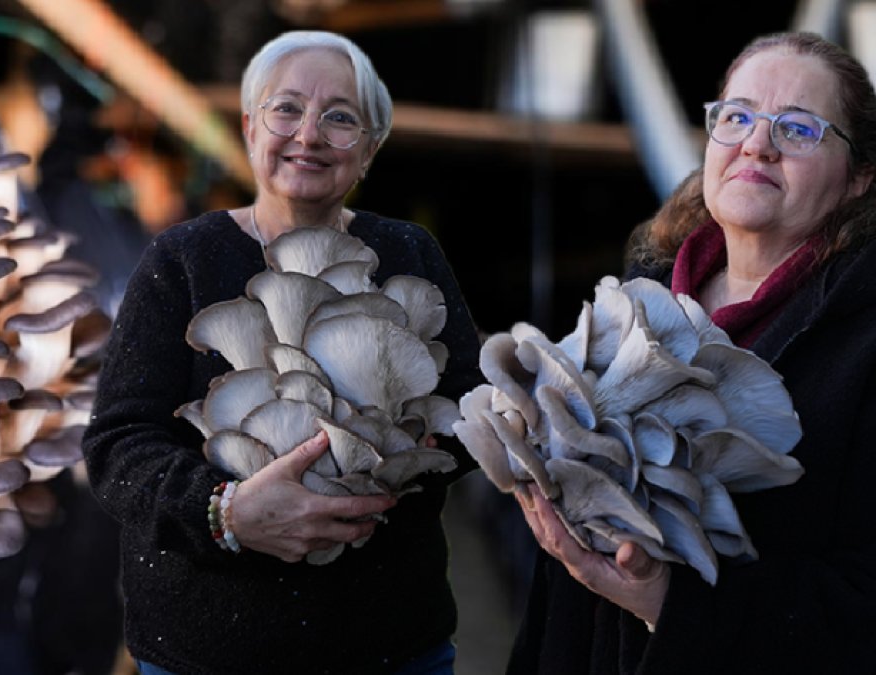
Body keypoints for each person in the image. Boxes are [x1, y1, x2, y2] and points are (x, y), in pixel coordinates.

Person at [82, 30, 485, 675]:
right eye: (287, 108)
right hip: (206, 653)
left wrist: (403, 452)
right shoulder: (181, 260)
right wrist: (226, 514)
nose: (309, 134)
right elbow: (117, 445)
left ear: (370, 150)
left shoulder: (409, 254)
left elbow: (469, 400)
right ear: (249, 127)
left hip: (389, 648)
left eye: (341, 117)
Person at [507, 31, 876, 674]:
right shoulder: (634, 295)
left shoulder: (866, 344)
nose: (756, 145)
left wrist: (667, 601)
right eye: (736, 117)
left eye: (798, 129)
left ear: (858, 179)